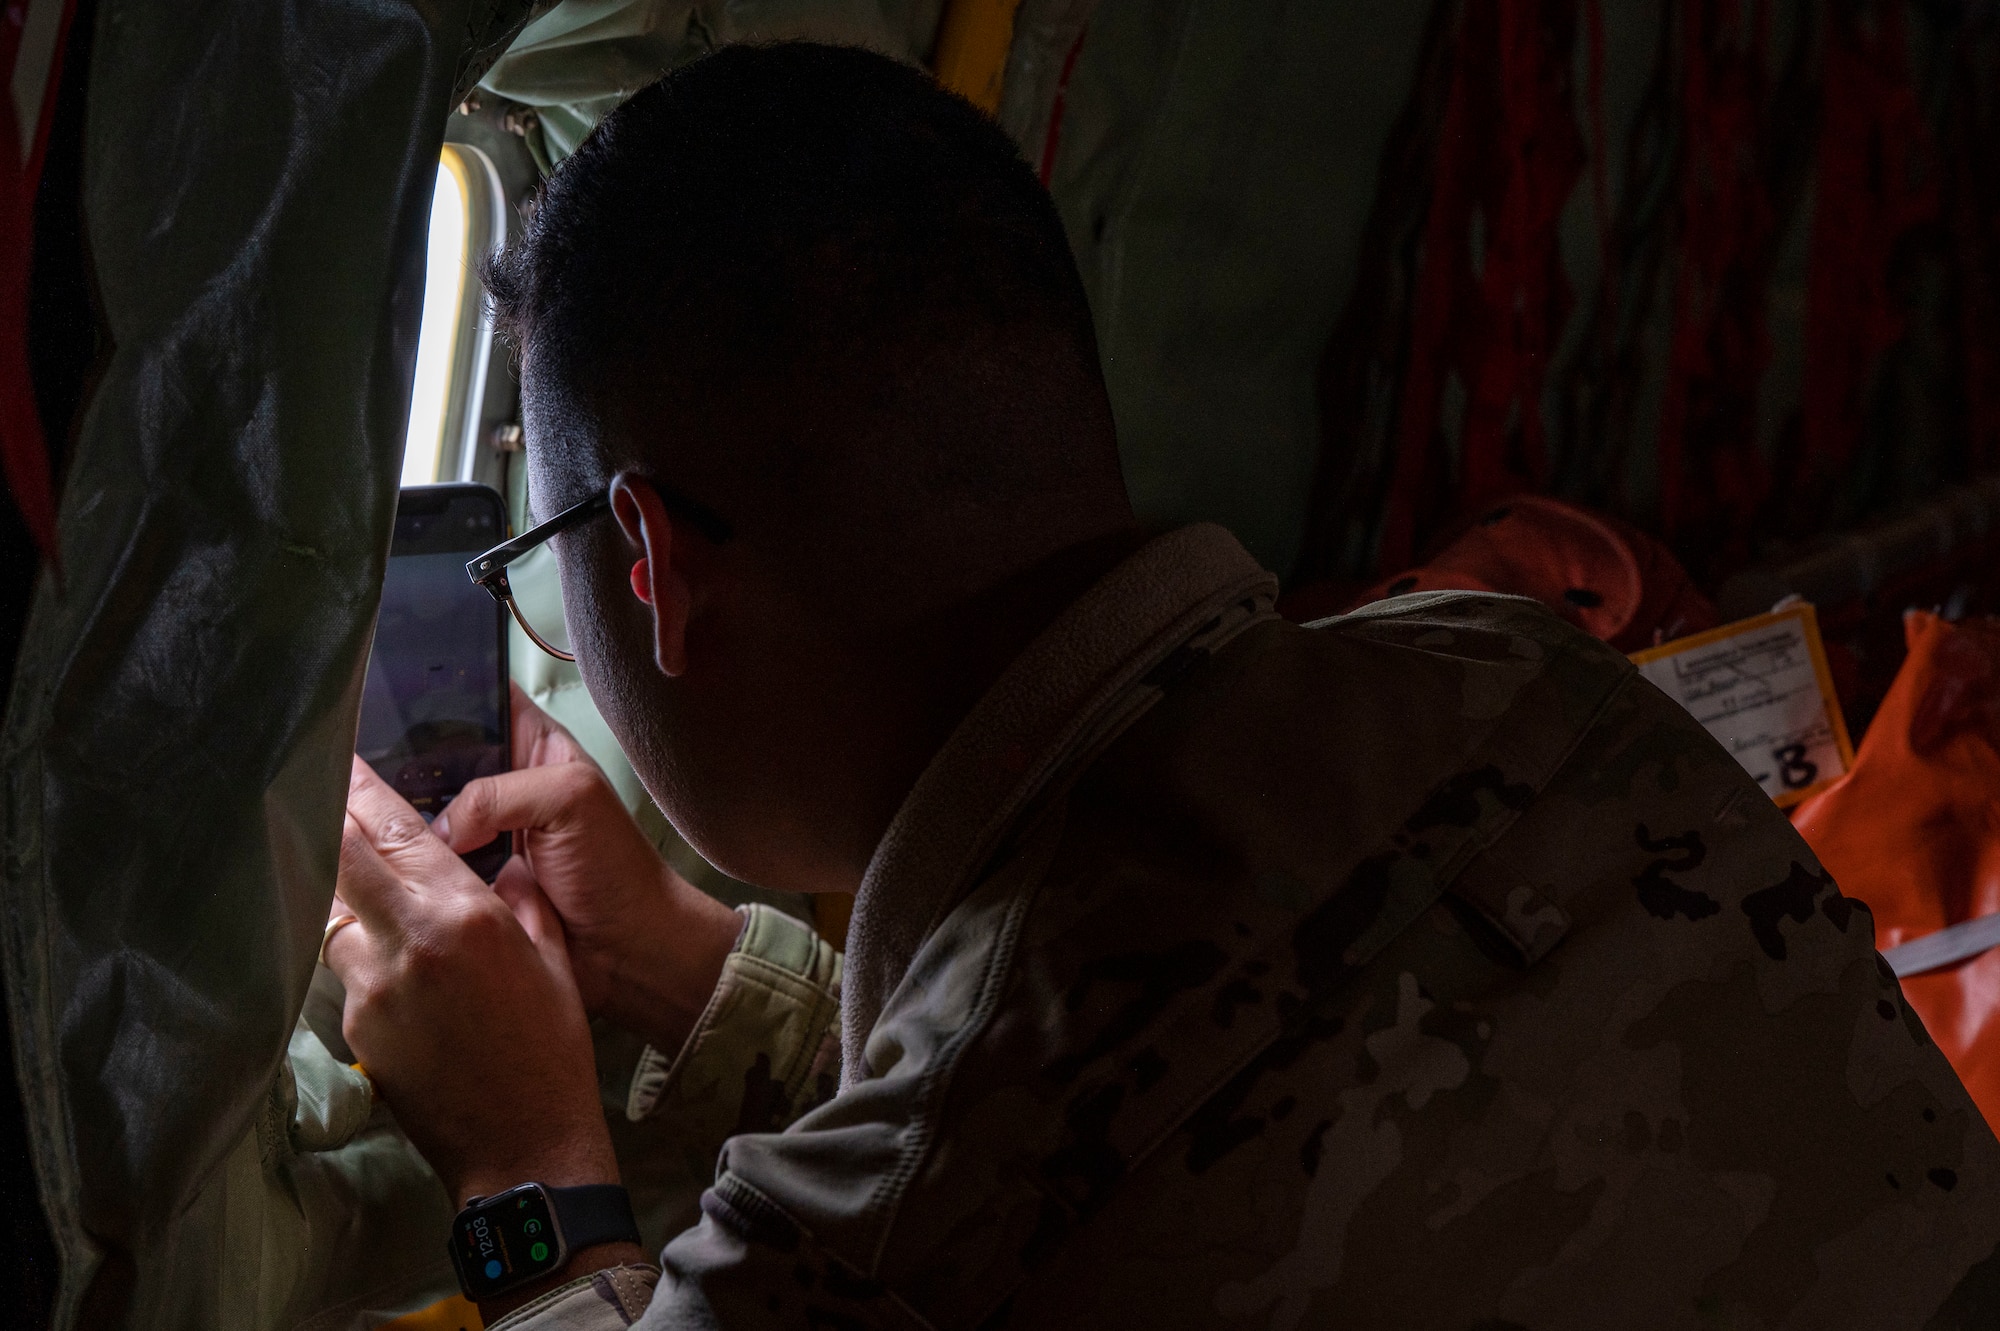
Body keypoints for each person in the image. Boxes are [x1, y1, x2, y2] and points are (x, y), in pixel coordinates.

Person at [319, 42, 2000, 1331]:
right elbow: (1166, 1063)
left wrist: (525, 1165)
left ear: (651, 561)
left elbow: (1026, 1148)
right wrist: (706, 978)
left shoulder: (875, 1246)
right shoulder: (1528, 686)